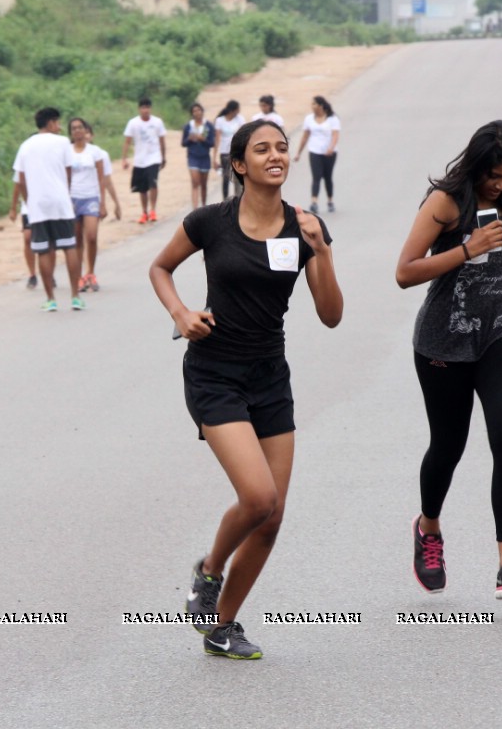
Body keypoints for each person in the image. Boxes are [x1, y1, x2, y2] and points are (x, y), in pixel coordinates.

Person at [149, 120, 343, 660]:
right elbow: (161, 267)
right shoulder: (211, 222)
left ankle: (223, 627)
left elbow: (331, 316)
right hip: (214, 374)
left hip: (269, 377)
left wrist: (320, 252)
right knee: (258, 497)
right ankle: (209, 572)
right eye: (262, 149)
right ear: (239, 164)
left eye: (282, 147)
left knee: (272, 515)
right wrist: (181, 312)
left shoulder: (304, 227)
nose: (276, 155)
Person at [394, 120, 502, 601]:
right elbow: (405, 272)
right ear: (477, 164)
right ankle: (429, 527)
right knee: (448, 446)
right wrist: (466, 248)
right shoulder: (445, 202)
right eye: (495, 175)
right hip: (445, 341)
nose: (501, 184)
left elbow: (501, 258)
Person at [13, 107, 83, 312]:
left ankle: (50, 299)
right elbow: (68, 172)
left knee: (43, 250)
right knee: (69, 246)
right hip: (60, 202)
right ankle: (75, 296)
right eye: (58, 123)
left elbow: (21, 179)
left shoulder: (25, 146)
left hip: (38, 206)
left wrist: (29, 200)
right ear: (51, 123)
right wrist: (65, 194)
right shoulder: (62, 143)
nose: (60, 127)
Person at [67, 117, 120, 293]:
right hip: (73, 198)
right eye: (74, 128)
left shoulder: (95, 152)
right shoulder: (67, 152)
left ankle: (91, 272)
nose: (77, 131)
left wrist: (102, 203)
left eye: (80, 127)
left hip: (90, 197)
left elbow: (101, 179)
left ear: (85, 130)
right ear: (71, 132)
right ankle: (81, 275)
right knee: (76, 240)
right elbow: (64, 177)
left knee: (91, 236)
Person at [292, 96, 341, 214]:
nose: (312, 106)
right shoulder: (309, 119)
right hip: (314, 151)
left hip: (330, 153)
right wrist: (298, 152)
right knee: (316, 176)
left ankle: (330, 201)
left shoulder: (332, 119)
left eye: (314, 104)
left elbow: (335, 135)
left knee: (328, 177)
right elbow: (305, 136)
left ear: (321, 105)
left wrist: (331, 148)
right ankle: (314, 202)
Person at [121, 98, 167, 224]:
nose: (145, 110)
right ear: (139, 109)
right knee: (142, 188)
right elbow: (127, 141)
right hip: (139, 159)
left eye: (147, 107)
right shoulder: (133, 123)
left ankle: (153, 210)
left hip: (154, 157)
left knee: (153, 183)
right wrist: (124, 159)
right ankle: (144, 212)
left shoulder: (157, 122)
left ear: (150, 109)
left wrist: (163, 157)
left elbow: (162, 141)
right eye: (143, 107)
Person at [181, 103, 215, 210]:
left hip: (205, 157)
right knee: (195, 182)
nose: (197, 112)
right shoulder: (188, 126)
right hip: (193, 157)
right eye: (194, 111)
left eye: (199, 110)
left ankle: (204, 206)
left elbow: (212, 143)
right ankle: (195, 209)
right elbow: (183, 143)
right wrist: (189, 139)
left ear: (202, 111)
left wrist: (203, 139)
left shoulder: (208, 126)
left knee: (203, 184)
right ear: (192, 113)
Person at [213, 100, 245, 201]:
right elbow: (217, 139)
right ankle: (225, 200)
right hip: (225, 152)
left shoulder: (240, 119)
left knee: (238, 177)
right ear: (233, 110)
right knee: (226, 177)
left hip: (237, 151)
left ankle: (238, 199)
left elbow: (244, 134)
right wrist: (214, 157)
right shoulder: (220, 121)